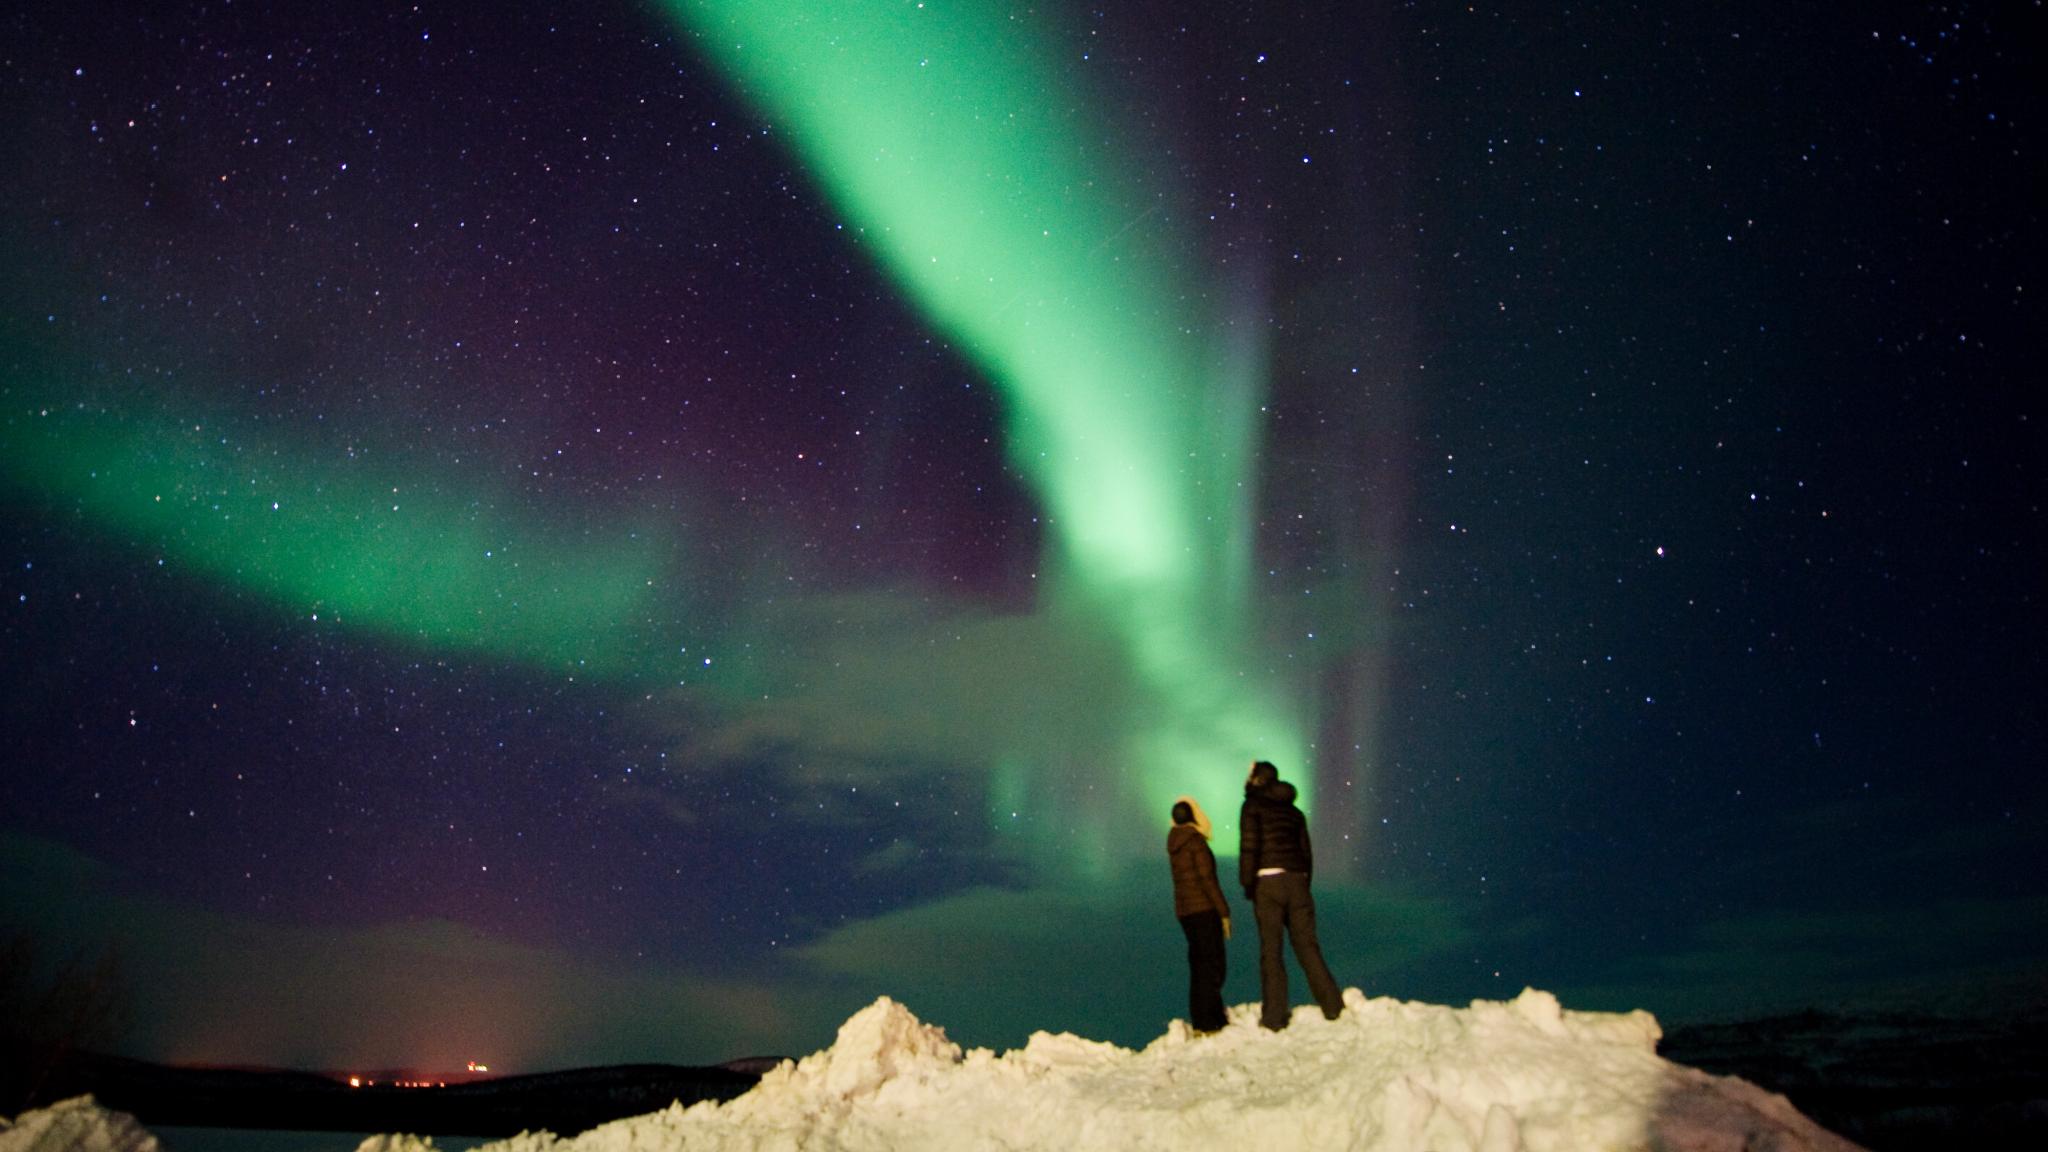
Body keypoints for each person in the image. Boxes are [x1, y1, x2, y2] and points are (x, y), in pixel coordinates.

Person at [1238, 760, 1343, 1029]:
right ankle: (1333, 1006)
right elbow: (1306, 854)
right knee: (1307, 945)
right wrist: (1303, 883)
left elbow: (1249, 847)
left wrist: (1248, 883)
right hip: (1297, 882)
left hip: (1268, 883)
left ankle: (1274, 1017)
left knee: (1271, 952)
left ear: (1258, 779)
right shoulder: (1295, 813)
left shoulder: (1252, 807)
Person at [1167, 795, 1231, 1034]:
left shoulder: (1175, 843)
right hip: (1204, 910)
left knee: (1199, 965)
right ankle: (1210, 1021)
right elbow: (1208, 881)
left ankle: (1205, 1018)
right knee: (1212, 965)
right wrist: (1224, 912)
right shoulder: (1195, 842)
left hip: (1186, 913)